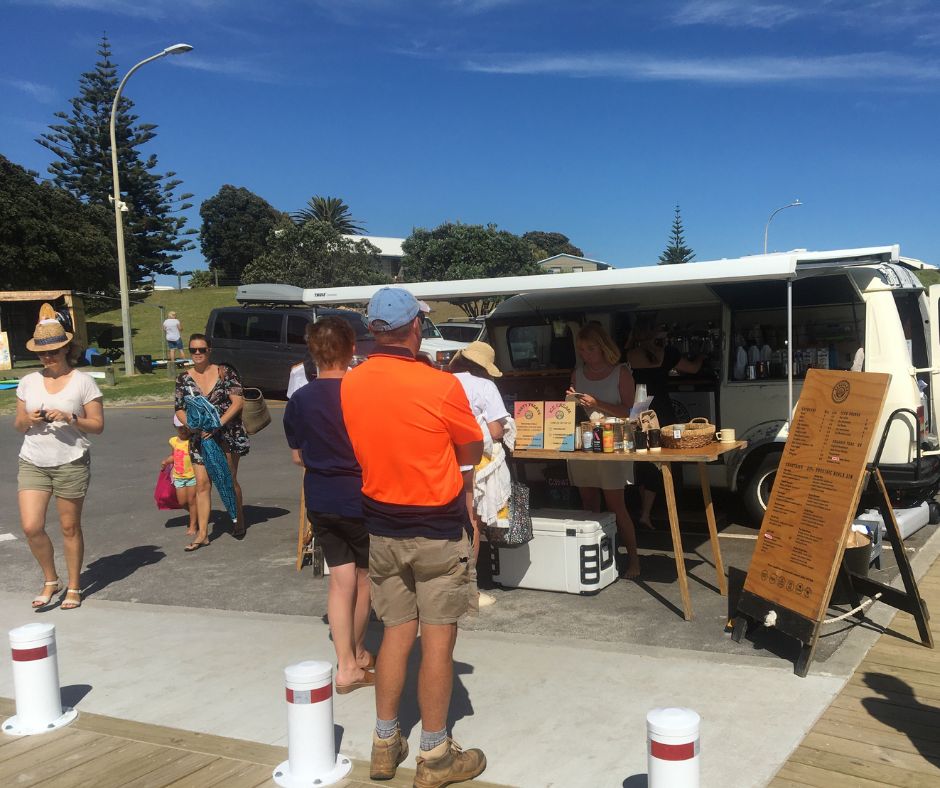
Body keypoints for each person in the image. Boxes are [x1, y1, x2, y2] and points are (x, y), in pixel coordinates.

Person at [341, 287, 487, 786]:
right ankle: (436, 753)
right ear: (414, 328)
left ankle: (385, 744)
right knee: (439, 641)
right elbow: (470, 443)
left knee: (396, 634)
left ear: (373, 331)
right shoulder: (440, 385)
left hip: (382, 526)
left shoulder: (352, 383)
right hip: (436, 529)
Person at [283, 317, 375, 693]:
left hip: (321, 495)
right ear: (352, 348)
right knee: (365, 578)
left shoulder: (300, 399)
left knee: (340, 580)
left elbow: (297, 456)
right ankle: (353, 657)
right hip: (361, 495)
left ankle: (348, 663)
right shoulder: (363, 392)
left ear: (313, 352)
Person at [14, 304, 104, 610]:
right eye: (42, 352)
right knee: (31, 526)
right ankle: (51, 580)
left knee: (69, 528)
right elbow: (18, 424)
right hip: (33, 460)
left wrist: (70, 417)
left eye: (53, 351)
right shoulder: (28, 382)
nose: (47, 357)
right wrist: (31, 420)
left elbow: (98, 426)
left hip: (70, 461)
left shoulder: (84, 382)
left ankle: (75, 586)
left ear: (66, 349)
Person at [566, 321, 640, 579]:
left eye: (590, 349)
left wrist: (598, 403)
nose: (586, 354)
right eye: (582, 350)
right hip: (586, 443)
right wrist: (572, 402)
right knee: (588, 504)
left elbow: (631, 413)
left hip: (613, 443)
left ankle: (634, 560)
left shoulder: (621, 373)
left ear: (603, 348)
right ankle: (599, 557)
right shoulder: (578, 373)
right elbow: (574, 410)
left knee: (616, 504)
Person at [448, 341, 510, 609]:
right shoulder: (485, 386)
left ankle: (448, 583)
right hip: (472, 461)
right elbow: (496, 431)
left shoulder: (443, 381)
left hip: (441, 459)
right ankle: (469, 587)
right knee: (471, 520)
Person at [626, 318, 704, 530]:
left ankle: (643, 509)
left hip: (638, 412)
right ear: (654, 334)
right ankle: (647, 512)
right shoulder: (667, 354)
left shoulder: (628, 356)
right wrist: (702, 354)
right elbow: (694, 369)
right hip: (662, 413)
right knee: (662, 461)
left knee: (642, 460)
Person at [174, 334, 249, 549]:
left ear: (210, 350)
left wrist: (217, 423)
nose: (197, 354)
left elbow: (237, 402)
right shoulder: (183, 378)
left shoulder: (225, 373)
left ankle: (239, 519)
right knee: (202, 484)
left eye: (202, 349)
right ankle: (203, 534)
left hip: (226, 434)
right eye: (193, 350)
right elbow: (179, 408)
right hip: (200, 437)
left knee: (228, 478)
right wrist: (191, 425)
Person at [161, 416, 198, 538]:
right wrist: (167, 461)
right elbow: (175, 455)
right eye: (180, 427)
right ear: (175, 427)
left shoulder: (193, 440)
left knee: (192, 501)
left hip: (192, 476)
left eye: (185, 427)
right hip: (179, 476)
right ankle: (197, 513)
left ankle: (193, 524)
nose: (183, 430)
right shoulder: (173, 441)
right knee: (182, 502)